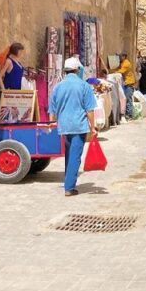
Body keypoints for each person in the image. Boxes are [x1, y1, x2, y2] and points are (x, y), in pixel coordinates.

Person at [49, 57, 98, 196]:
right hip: (79, 126)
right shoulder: (84, 86)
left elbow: (52, 109)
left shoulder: (58, 86)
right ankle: (69, 187)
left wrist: (52, 123)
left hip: (64, 126)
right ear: (77, 70)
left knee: (69, 154)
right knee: (75, 156)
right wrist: (93, 127)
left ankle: (68, 181)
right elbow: (90, 109)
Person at [110, 52, 136, 119]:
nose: (119, 58)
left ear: (124, 56)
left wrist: (113, 73)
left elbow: (121, 71)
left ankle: (129, 115)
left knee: (127, 99)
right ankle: (127, 114)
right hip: (126, 83)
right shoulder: (122, 63)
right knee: (125, 99)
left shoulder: (126, 63)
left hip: (129, 83)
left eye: (120, 57)